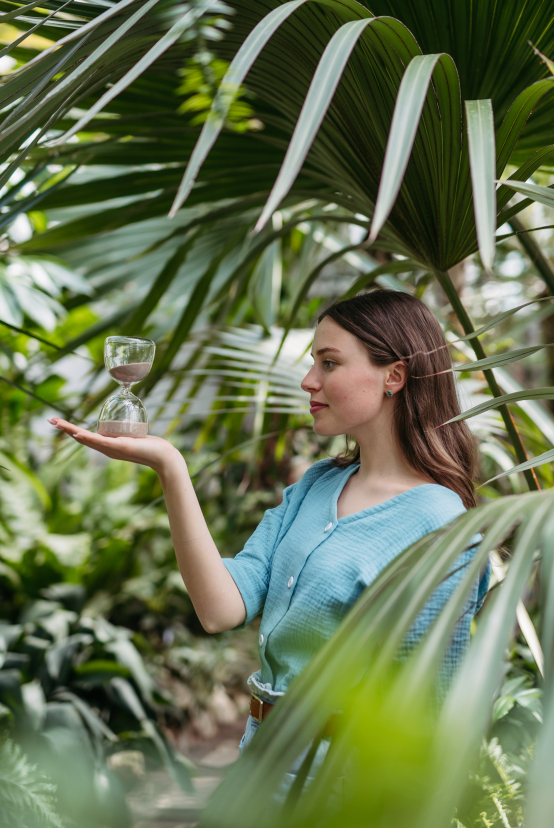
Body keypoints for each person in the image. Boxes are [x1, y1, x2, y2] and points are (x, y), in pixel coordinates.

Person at [50, 290, 489, 755]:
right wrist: (169, 467)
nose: (307, 380)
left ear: (394, 375)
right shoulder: (317, 486)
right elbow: (221, 608)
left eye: (329, 363)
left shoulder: (441, 526)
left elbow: (425, 711)